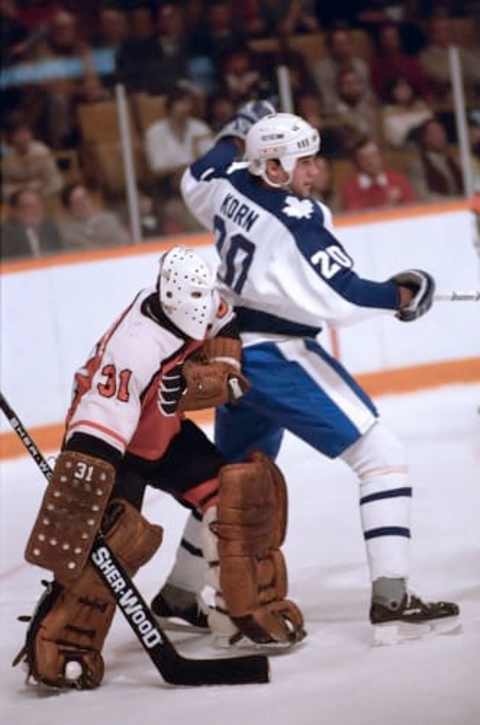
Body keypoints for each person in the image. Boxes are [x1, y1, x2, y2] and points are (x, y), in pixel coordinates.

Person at [153, 103, 459, 643]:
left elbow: (195, 173)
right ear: (273, 168)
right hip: (275, 353)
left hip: (230, 354)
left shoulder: (228, 186)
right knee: (381, 457)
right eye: (305, 162)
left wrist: (235, 131)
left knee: (234, 480)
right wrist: (404, 294)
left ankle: (181, 590)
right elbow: (344, 295)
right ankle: (393, 599)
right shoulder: (299, 219)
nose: (315, 172)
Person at [15, 246, 305, 690]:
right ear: (169, 293)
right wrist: (86, 494)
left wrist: (221, 369)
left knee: (236, 497)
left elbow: (225, 321)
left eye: (203, 295)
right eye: (191, 295)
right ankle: (66, 641)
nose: (201, 305)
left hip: (163, 435)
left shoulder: (202, 301)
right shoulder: (134, 348)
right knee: (109, 541)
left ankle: (240, 613)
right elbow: (97, 425)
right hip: (119, 446)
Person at [340, 137, 417, 211]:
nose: (370, 162)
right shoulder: (350, 188)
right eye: (364, 158)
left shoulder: (399, 180)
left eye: (374, 155)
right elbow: (355, 216)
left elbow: (412, 209)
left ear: (381, 156)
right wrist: (388, 205)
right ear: (356, 162)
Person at [59, 183, 131, 250]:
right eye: (78, 201)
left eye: (85, 197)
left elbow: (125, 242)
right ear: (69, 208)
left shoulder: (109, 219)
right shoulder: (69, 232)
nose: (84, 203)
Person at [1, 188, 64, 260]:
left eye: (38, 205)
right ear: (14, 210)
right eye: (27, 206)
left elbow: (60, 254)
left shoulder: (50, 226)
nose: (35, 210)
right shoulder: (5, 232)